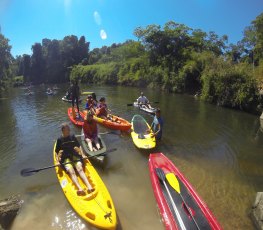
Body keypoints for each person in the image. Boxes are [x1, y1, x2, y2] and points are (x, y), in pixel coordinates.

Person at [55, 123, 94, 195]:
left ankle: (89, 186)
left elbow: (79, 146)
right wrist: (57, 161)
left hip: (74, 155)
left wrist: (82, 154)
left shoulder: (72, 136)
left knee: (80, 169)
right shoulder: (59, 140)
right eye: (67, 129)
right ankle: (80, 188)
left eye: (69, 129)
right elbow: (57, 152)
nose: (69, 130)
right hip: (66, 158)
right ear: (63, 130)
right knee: (71, 171)